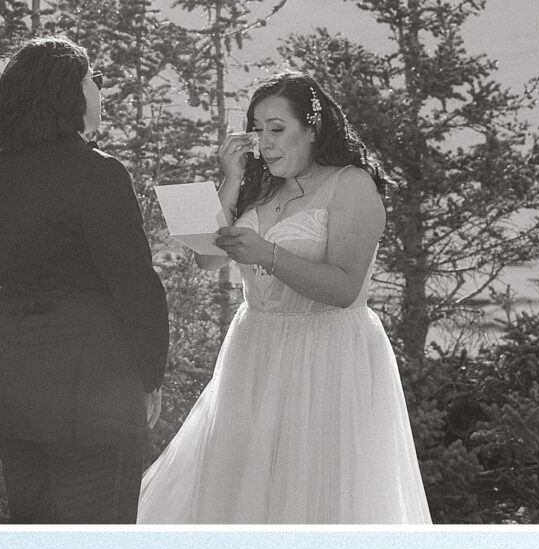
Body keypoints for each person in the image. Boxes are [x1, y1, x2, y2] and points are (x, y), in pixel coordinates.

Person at [138, 71, 430, 524]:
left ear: (312, 130)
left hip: (326, 353)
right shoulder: (263, 183)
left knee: (316, 490)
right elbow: (209, 261)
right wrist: (231, 178)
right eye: (258, 130)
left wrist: (268, 255)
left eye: (277, 129)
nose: (265, 142)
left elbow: (344, 288)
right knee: (243, 489)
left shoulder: (351, 185)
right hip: (253, 348)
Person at [0, 34, 169, 522]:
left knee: (35, 544)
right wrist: (151, 375)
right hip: (94, 399)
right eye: (93, 80)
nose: (100, 90)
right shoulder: (97, 174)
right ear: (69, 95)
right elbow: (135, 286)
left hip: (13, 390)